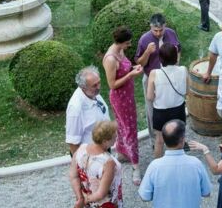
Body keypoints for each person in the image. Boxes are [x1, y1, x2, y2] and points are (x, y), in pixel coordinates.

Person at [102, 27, 145, 185]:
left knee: (124, 127)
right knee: (129, 129)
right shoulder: (111, 59)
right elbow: (112, 84)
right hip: (120, 98)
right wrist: (131, 75)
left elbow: (125, 68)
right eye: (128, 42)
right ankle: (135, 167)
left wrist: (133, 68)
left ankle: (122, 152)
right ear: (120, 42)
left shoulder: (120, 51)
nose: (130, 44)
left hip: (128, 96)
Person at [136, 14, 182, 141]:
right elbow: (140, 63)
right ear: (150, 27)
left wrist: (177, 64)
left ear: (165, 26)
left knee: (173, 105)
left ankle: (176, 137)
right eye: (155, 30)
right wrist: (147, 52)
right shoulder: (144, 39)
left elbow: (178, 49)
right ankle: (154, 139)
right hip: (152, 78)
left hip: (171, 76)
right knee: (151, 108)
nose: (158, 33)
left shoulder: (171, 33)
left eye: (160, 30)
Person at [145, 44, 188, 159]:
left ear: (160, 58)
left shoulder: (154, 73)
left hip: (160, 112)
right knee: (179, 139)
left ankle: (158, 165)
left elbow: (149, 97)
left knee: (159, 141)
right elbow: (186, 90)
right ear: (175, 57)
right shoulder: (183, 70)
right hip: (178, 109)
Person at [66, 66, 110, 157]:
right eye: (94, 85)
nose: (99, 87)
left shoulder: (92, 92)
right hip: (91, 156)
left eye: (99, 82)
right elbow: (73, 143)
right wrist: (84, 166)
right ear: (83, 87)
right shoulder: (75, 107)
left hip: (103, 148)